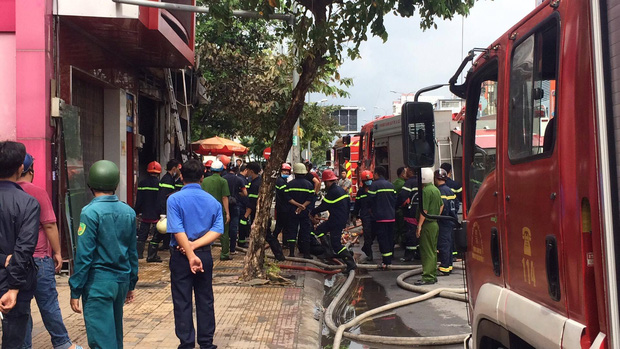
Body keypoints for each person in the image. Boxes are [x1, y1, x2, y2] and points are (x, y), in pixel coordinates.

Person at [69, 160, 138, 348]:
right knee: (115, 336)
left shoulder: (90, 213)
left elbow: (84, 256)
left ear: (90, 184)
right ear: (116, 184)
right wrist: (131, 282)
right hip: (121, 282)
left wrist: (75, 288)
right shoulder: (128, 212)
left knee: (101, 340)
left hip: (98, 284)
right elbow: (132, 252)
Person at [18, 154, 81, 349]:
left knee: (21, 307)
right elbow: (50, 225)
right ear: (30, 171)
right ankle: (62, 343)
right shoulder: (37, 192)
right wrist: (58, 252)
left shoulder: (6, 193)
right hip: (38, 258)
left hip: (15, 261)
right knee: (48, 304)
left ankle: (23, 345)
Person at [166, 159, 223, 349]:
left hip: (181, 256)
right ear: (202, 177)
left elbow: (177, 229)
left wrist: (189, 251)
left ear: (181, 176)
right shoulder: (213, 202)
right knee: (205, 298)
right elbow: (217, 230)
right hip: (204, 255)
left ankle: (187, 343)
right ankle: (206, 343)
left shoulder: (174, 199)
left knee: (182, 299)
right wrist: (196, 247)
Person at [0, 141, 40, 348]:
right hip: (17, 285)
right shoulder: (28, 203)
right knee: (14, 341)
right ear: (20, 168)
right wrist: (14, 288)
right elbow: (24, 248)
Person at [311, 170, 356, 272]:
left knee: (337, 245)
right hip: (338, 219)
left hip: (336, 221)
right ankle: (328, 252)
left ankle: (350, 263)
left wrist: (313, 212)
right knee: (319, 230)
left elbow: (324, 206)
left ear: (327, 182)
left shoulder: (333, 192)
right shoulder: (341, 190)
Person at [414, 167, 443, 285]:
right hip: (434, 223)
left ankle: (428, 276)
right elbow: (441, 206)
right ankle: (433, 273)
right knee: (433, 250)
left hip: (427, 225)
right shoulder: (436, 190)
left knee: (427, 251)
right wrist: (436, 216)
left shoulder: (425, 191)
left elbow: (424, 210)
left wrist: (419, 226)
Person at [201, 160, 232, 261]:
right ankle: (224, 254)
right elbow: (224, 197)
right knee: (224, 232)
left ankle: (204, 251)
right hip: (219, 211)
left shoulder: (205, 181)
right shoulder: (223, 181)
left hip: (206, 210)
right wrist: (227, 213)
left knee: (205, 231)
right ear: (222, 170)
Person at [151, 159, 182, 262]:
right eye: (178, 168)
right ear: (174, 168)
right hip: (164, 211)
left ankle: (154, 254)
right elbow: (164, 197)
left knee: (162, 233)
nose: (178, 171)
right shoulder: (168, 180)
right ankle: (151, 255)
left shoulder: (169, 179)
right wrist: (163, 213)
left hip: (164, 210)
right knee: (159, 233)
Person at [284, 163, 315, 258]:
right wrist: (302, 206)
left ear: (295, 173)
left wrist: (297, 205)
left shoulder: (289, 185)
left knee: (292, 231)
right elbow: (311, 199)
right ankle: (306, 254)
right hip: (304, 212)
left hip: (292, 211)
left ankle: (292, 253)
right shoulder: (309, 185)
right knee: (305, 231)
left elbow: (287, 198)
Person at [368, 166, 397, 268]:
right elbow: (395, 200)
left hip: (380, 218)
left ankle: (386, 261)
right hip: (391, 217)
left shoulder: (374, 185)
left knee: (383, 239)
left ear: (377, 174)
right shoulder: (391, 185)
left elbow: (370, 200)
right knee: (390, 238)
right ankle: (390, 258)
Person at [134, 161, 162, 259]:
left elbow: (139, 200)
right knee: (155, 235)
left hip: (145, 213)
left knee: (142, 234)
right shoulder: (160, 184)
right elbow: (161, 200)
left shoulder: (142, 183)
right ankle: (152, 255)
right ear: (159, 172)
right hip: (156, 214)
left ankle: (139, 254)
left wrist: (136, 211)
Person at [435, 169, 458, 276]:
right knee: (448, 244)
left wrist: (436, 217)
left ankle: (444, 267)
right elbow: (456, 205)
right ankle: (448, 265)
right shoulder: (450, 190)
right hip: (451, 220)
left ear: (436, 178)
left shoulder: (440, 191)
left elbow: (442, 205)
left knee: (443, 244)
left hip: (443, 221)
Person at [396, 167, 420, 262]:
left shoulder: (409, 183)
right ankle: (418, 253)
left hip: (410, 214)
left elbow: (402, 196)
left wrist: (397, 205)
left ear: (410, 171)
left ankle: (409, 255)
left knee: (410, 234)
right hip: (421, 214)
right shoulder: (421, 181)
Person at [222, 165, 247, 254]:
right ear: (237, 170)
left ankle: (224, 248)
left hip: (224, 205)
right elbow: (245, 193)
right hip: (235, 205)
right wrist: (238, 194)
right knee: (234, 227)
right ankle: (232, 249)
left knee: (224, 227)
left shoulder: (223, 179)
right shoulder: (239, 180)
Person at [239, 162, 262, 248]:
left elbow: (253, 202)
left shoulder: (255, 184)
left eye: (247, 170)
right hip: (255, 211)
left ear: (251, 171)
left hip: (254, 212)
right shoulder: (255, 181)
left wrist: (246, 215)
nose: (246, 171)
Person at [355, 170, 374, 262]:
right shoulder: (360, 192)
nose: (369, 182)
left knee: (374, 234)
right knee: (367, 235)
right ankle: (369, 253)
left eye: (370, 180)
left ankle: (366, 247)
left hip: (374, 215)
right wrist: (354, 216)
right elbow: (357, 205)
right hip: (365, 216)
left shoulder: (374, 189)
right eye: (367, 180)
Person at [273, 163, 292, 241]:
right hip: (282, 207)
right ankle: (274, 240)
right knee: (281, 225)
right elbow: (285, 194)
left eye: (287, 171)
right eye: (284, 171)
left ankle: (282, 241)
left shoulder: (283, 181)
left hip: (282, 207)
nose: (286, 173)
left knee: (283, 225)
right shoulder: (281, 181)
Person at [393, 167, 408, 246]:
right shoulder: (403, 184)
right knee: (402, 228)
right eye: (406, 172)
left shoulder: (395, 182)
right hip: (400, 210)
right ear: (402, 174)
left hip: (394, 209)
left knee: (396, 228)